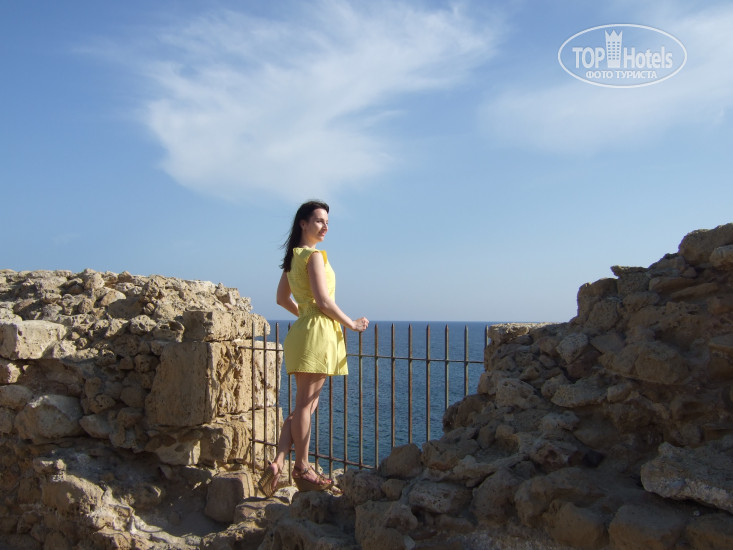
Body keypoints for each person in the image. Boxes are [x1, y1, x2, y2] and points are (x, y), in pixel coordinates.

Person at [258, 200, 369, 496]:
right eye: (319, 220)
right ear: (303, 223)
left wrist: (306, 316)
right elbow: (324, 301)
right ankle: (303, 467)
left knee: (302, 407)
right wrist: (351, 323)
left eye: (327, 222)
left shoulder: (293, 258)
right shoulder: (315, 256)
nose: (325, 226)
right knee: (306, 406)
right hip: (318, 334)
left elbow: (281, 299)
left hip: (303, 332)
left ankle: (278, 462)